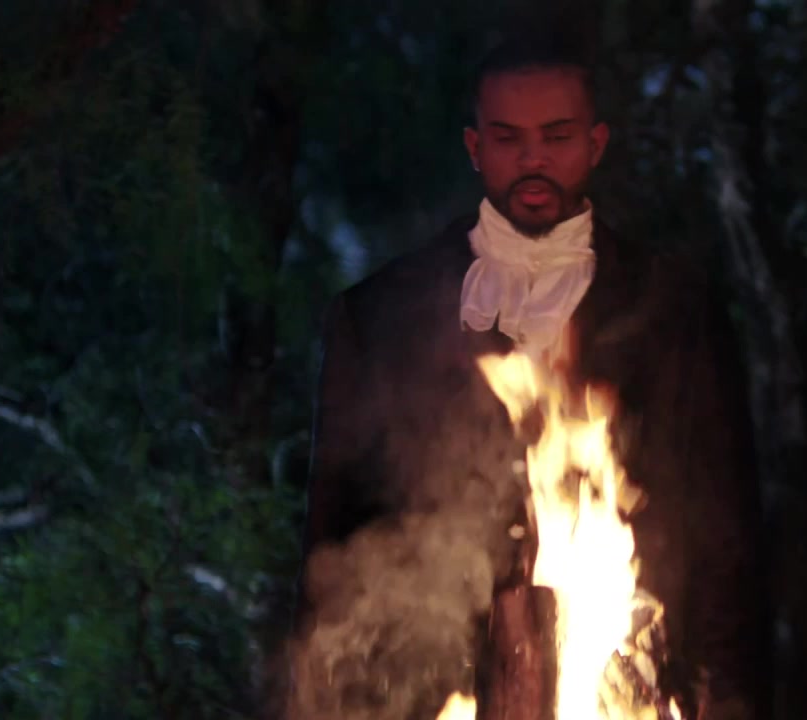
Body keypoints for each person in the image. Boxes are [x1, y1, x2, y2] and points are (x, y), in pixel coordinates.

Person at [283, 32, 770, 720]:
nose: (533, 159)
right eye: (508, 138)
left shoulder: (675, 314)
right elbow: (331, 545)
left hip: (624, 691)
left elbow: (725, 546)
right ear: (475, 147)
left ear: (596, 144)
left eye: (557, 136)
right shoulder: (378, 315)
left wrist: (728, 703)